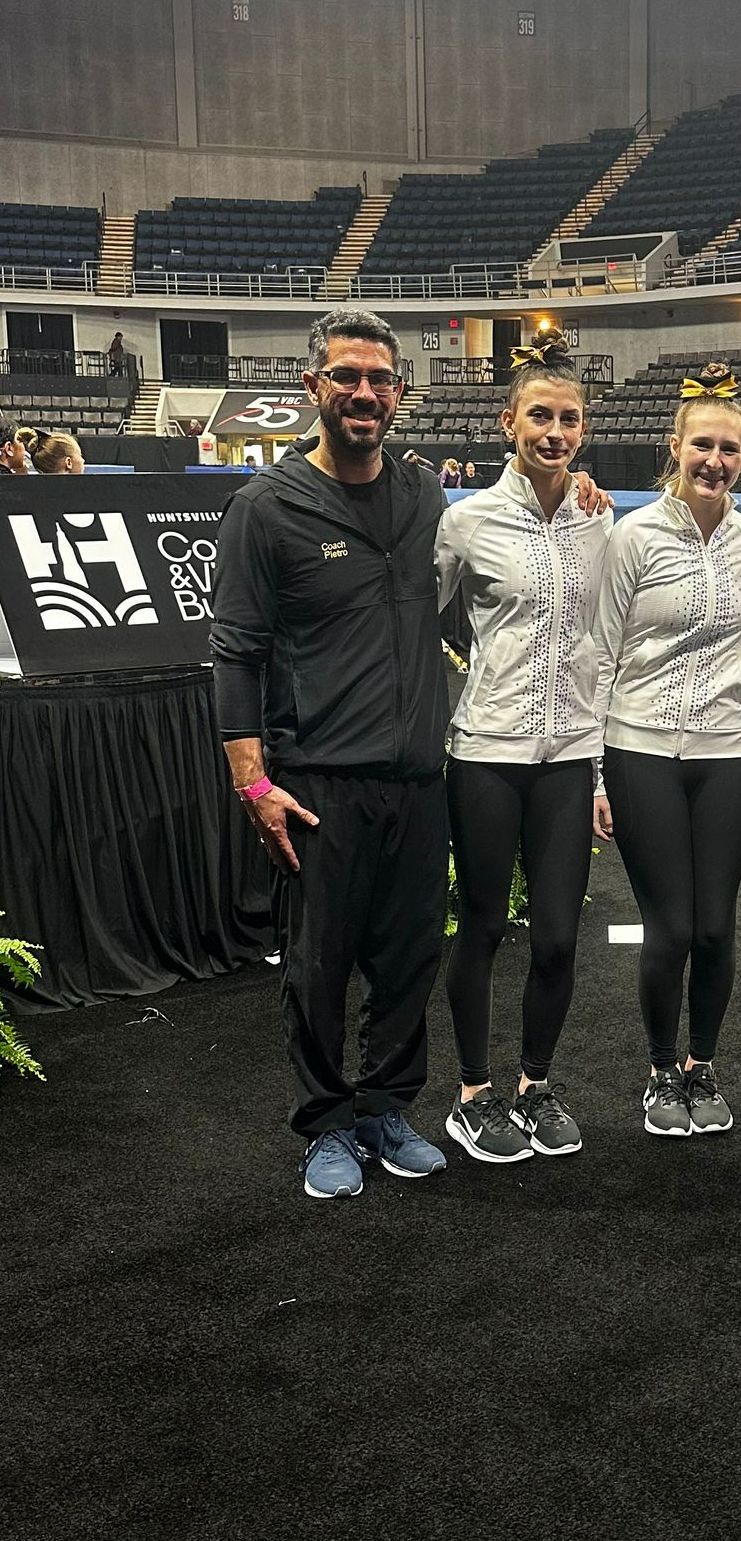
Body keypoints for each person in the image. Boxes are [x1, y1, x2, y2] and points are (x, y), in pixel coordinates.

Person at [210, 307, 452, 1201]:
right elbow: (235, 653)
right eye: (345, 376)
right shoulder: (265, 508)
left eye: (379, 379)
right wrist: (253, 782)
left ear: (398, 394)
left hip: (419, 782)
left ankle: (387, 1105)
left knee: (410, 956)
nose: (363, 392)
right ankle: (323, 1122)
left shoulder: (424, 493)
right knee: (317, 964)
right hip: (317, 785)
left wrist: (576, 493)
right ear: (312, 388)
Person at [435, 334, 612, 1164]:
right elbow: (423, 624)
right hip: (486, 751)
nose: (554, 431)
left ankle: (535, 1084)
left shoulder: (597, 522)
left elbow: (605, 644)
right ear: (508, 422)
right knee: (480, 925)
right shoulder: (465, 523)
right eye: (539, 415)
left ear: (583, 429)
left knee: (557, 938)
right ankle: (473, 1092)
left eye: (568, 418)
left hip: (568, 756)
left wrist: (602, 764)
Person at [591, 362, 741, 1136]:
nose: (715, 460)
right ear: (675, 447)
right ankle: (661, 1070)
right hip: (640, 748)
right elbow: (596, 653)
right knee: (668, 924)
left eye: (730, 449)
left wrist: (737, 675)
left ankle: (702, 1066)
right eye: (703, 444)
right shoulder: (632, 536)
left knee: (716, 926)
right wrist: (596, 770)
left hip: (727, 750)